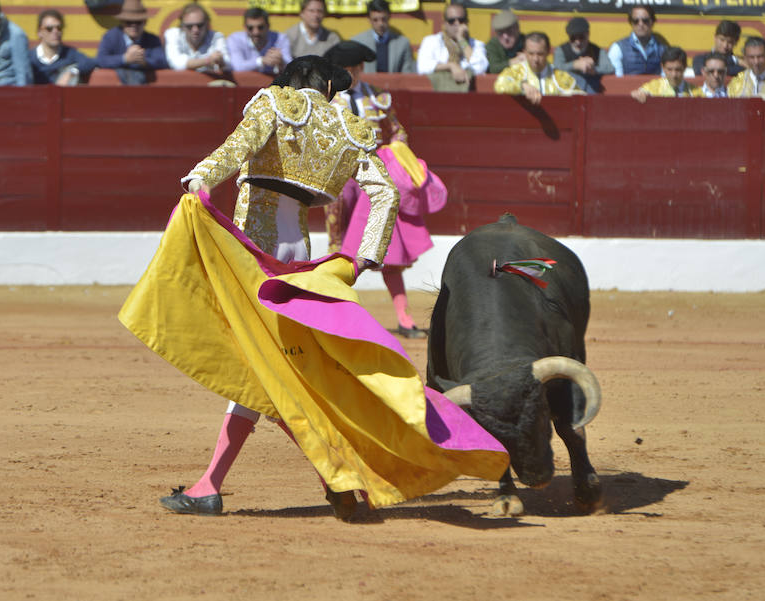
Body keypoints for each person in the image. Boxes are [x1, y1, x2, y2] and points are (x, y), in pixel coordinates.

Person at [121, 56, 507, 519]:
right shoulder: (350, 126)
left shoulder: (273, 104)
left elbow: (236, 146)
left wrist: (201, 177)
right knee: (275, 370)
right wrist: (363, 256)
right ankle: (252, 481)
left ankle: (333, 475)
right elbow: (385, 192)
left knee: (268, 372)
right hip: (299, 260)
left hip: (252, 254)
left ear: (294, 80)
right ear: (326, 84)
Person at [324, 41, 448, 339]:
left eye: (357, 69)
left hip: (374, 176)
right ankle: (334, 314)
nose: (353, 74)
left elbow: (398, 129)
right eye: (348, 70)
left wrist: (396, 150)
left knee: (386, 244)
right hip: (341, 178)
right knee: (339, 247)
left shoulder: (377, 97)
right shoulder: (327, 99)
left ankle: (404, 320)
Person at [494, 31, 584, 104]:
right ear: (524, 52)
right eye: (531, 54)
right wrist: (521, 86)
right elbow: (499, 85)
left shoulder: (559, 77)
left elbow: (582, 97)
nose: (535, 59)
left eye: (540, 54)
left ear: (548, 52)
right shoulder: (516, 71)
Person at [416, 2, 488, 91]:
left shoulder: (476, 44)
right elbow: (422, 66)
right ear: (445, 24)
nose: (457, 23)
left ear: (467, 23)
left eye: (461, 20)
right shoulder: (432, 41)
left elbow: (480, 68)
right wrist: (451, 66)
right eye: (451, 21)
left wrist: (461, 40)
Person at [96, 0, 168, 85]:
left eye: (138, 22)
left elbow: (162, 61)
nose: (134, 25)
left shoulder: (153, 39)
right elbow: (101, 60)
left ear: (145, 22)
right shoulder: (110, 37)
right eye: (129, 22)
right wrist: (125, 59)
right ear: (122, 22)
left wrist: (144, 62)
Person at [29, 9, 95, 85]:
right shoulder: (29, 58)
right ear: (39, 32)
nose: (55, 32)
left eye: (59, 28)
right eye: (49, 29)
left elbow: (90, 62)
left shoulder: (69, 53)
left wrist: (72, 72)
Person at [164, 3, 230, 75]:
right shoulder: (173, 34)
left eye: (200, 25)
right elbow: (177, 63)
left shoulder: (217, 37)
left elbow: (228, 64)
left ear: (207, 24)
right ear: (182, 26)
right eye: (189, 26)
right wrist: (207, 61)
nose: (195, 30)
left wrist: (221, 62)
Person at [553, 16, 613, 95]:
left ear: (588, 34)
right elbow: (556, 67)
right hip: (567, 92)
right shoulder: (561, 50)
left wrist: (593, 69)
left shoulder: (598, 51)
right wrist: (575, 65)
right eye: (573, 38)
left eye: (581, 37)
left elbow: (610, 69)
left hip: (591, 92)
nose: (578, 42)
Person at [351, 0, 414, 74]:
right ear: (369, 19)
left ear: (389, 17)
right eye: (375, 20)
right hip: (367, 85)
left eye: (383, 19)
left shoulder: (403, 44)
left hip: (394, 85)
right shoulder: (357, 42)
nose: (380, 24)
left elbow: (407, 74)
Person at [608, 5, 667, 76]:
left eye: (645, 20)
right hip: (627, 87)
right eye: (636, 21)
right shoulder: (618, 48)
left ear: (652, 22)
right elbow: (616, 79)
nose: (640, 24)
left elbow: (666, 79)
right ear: (631, 23)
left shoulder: (663, 50)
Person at [630, 46, 699, 102]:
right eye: (669, 69)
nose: (674, 75)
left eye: (678, 69)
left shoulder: (695, 92)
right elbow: (638, 93)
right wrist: (637, 94)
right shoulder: (653, 87)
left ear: (685, 68)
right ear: (663, 67)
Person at [485, 9, 524, 74]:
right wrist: (512, 62)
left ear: (517, 29)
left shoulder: (527, 42)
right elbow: (493, 68)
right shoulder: (493, 45)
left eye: (509, 31)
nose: (505, 37)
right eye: (500, 33)